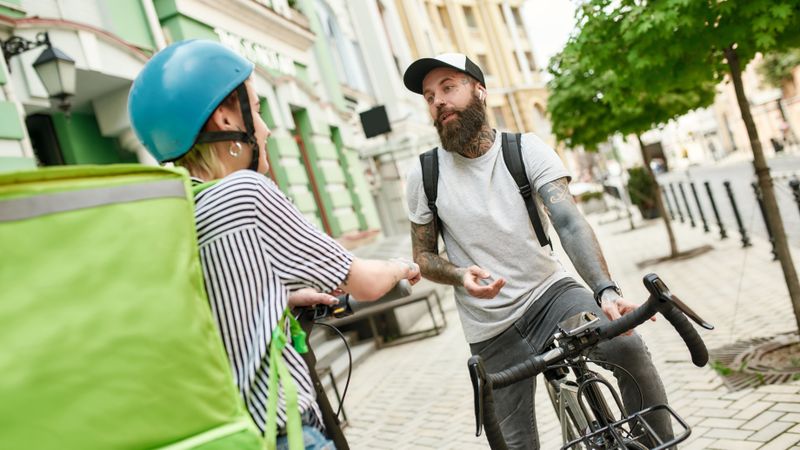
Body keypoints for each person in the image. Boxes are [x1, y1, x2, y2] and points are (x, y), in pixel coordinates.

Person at [128, 40, 420, 450]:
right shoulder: (244, 193)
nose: (265, 128)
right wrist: (400, 266)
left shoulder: (172, 213)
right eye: (258, 110)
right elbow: (365, 282)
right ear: (225, 117)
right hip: (286, 433)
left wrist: (276, 298)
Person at [402, 53, 671, 449]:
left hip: (551, 295)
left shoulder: (525, 149)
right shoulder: (425, 174)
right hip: (489, 328)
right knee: (512, 444)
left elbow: (568, 221)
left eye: (448, 88)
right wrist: (460, 275)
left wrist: (606, 291)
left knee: (628, 346)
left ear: (479, 91)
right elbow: (423, 257)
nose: (438, 101)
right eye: (429, 96)